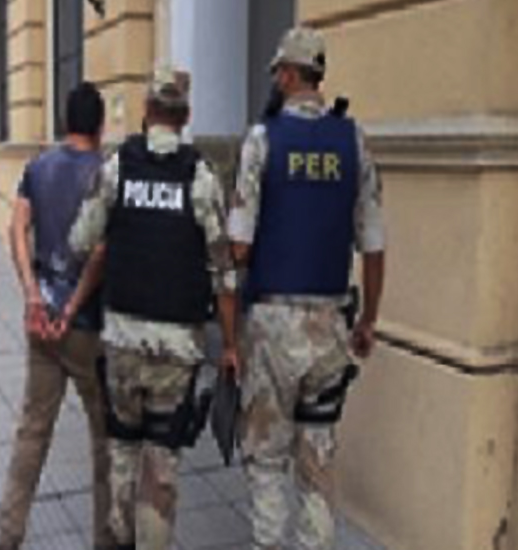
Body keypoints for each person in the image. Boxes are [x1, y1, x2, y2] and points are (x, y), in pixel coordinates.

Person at [228, 27, 386, 550]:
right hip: (331, 325)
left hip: (273, 326)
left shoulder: (262, 140)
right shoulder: (353, 140)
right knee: (317, 460)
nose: (275, 78)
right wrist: (368, 320)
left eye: (279, 70)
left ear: (291, 74)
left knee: (267, 456)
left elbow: (239, 246)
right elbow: (374, 243)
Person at [69, 67, 239, 550]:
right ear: (185, 116)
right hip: (176, 350)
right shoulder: (201, 177)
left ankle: (121, 538)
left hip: (122, 341)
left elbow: (80, 241)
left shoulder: (116, 167)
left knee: (122, 451)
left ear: (146, 111)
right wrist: (230, 344)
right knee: (161, 466)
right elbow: (224, 272)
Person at [0, 82, 114, 550]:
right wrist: (73, 306)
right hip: (87, 328)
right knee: (105, 439)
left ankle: (8, 535)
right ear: (100, 125)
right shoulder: (107, 173)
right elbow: (101, 253)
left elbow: (17, 228)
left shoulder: (38, 167)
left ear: (66, 121)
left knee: (32, 431)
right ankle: (106, 539)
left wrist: (32, 296)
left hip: (41, 324)